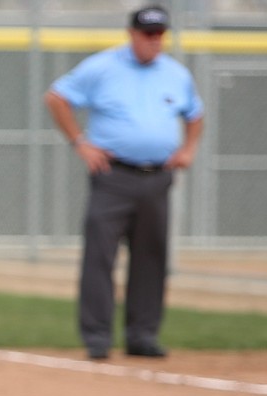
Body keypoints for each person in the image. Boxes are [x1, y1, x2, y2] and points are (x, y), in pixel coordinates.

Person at [44, 4, 204, 360]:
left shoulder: (175, 74)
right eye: (148, 34)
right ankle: (98, 338)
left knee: (151, 257)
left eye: (160, 34)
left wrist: (188, 149)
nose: (154, 41)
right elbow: (56, 97)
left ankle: (142, 336)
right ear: (132, 34)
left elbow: (195, 113)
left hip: (157, 177)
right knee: (100, 256)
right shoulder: (102, 67)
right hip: (112, 175)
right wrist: (80, 142)